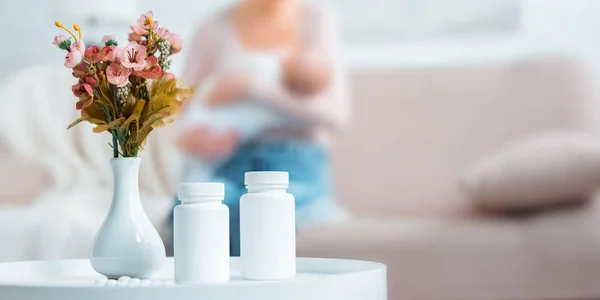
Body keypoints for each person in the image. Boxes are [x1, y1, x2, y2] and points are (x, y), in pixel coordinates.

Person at [176, 0, 350, 256]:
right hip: (231, 163)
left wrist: (251, 88)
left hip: (297, 167)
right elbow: (178, 113)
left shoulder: (315, 19)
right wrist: (197, 140)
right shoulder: (213, 27)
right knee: (208, 209)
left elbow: (336, 115)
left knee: (256, 211)